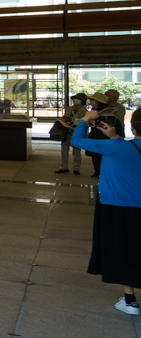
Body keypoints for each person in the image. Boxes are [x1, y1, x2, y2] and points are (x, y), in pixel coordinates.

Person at [72, 108, 141, 315]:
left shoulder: (114, 147)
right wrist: (115, 136)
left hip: (116, 207)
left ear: (133, 127)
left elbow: (76, 140)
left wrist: (85, 120)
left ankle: (130, 301)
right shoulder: (117, 144)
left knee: (120, 250)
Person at [55, 93, 89, 174]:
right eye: (74, 98)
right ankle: (64, 167)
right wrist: (62, 121)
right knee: (64, 150)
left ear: (82, 101)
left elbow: (86, 122)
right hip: (66, 132)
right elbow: (65, 117)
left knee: (76, 152)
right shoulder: (69, 108)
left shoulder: (85, 110)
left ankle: (76, 168)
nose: (75, 100)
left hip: (77, 132)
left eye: (78, 99)